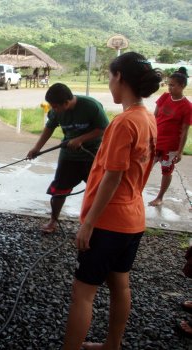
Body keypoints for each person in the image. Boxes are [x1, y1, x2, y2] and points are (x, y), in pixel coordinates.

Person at [62, 52, 161, 350]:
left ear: (119, 77)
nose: (109, 83)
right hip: (133, 221)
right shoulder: (148, 118)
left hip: (108, 223)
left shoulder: (124, 123)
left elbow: (113, 176)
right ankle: (112, 346)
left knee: (83, 293)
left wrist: (89, 223)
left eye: (109, 77)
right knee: (121, 285)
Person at [26, 83, 109, 233]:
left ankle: (95, 225)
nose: (54, 110)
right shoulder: (56, 111)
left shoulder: (90, 106)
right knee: (59, 190)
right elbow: (49, 127)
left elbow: (103, 129)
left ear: (66, 102)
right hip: (69, 156)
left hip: (93, 155)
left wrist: (80, 139)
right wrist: (37, 148)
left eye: (56, 106)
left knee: (96, 191)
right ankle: (53, 221)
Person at [148, 67, 191, 207]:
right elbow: (154, 117)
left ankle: (160, 197)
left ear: (182, 86)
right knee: (145, 167)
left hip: (170, 146)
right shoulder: (164, 97)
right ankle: (135, 191)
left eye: (173, 85)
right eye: (169, 84)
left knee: (166, 171)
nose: (170, 87)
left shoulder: (187, 107)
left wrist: (179, 151)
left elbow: (185, 131)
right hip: (155, 141)